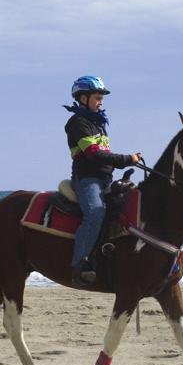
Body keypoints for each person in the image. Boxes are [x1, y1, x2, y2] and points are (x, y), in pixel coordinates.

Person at [64, 76, 140, 286]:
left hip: (106, 179)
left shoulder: (98, 123)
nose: (101, 101)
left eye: (101, 98)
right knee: (96, 211)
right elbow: (94, 154)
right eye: (97, 97)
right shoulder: (77, 123)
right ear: (83, 98)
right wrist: (127, 160)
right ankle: (79, 265)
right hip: (87, 180)